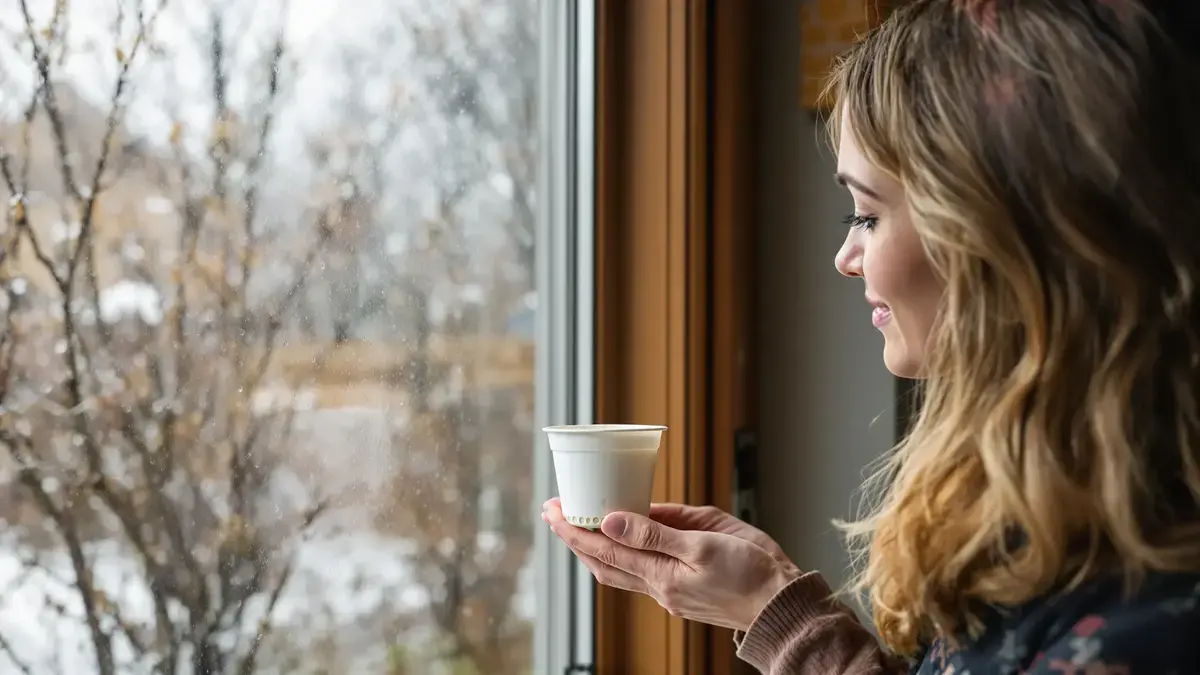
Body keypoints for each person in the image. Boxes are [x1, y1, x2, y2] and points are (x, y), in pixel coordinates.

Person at [542, 0, 1200, 672]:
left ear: (995, 239)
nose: (845, 257)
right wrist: (769, 604)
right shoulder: (1049, 516)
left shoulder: (1147, 626)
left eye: (867, 214)